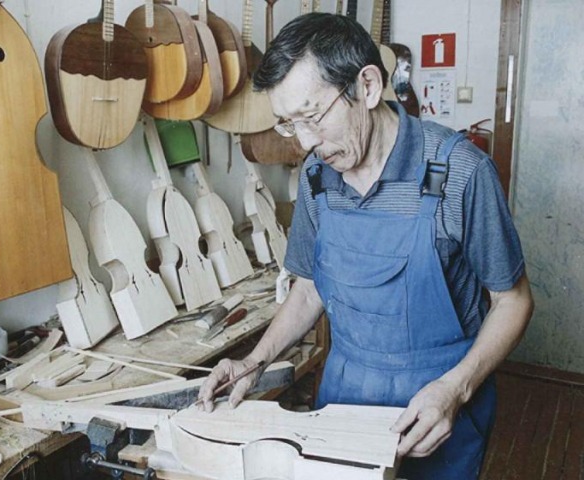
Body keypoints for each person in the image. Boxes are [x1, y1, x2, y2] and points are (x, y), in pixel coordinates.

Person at [198, 12, 534, 480]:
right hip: (345, 397)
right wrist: (255, 361)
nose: (306, 143)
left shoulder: (460, 172)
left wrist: (456, 389)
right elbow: (309, 289)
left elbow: (513, 300)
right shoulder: (317, 178)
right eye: (289, 124)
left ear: (369, 86)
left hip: (438, 402)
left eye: (313, 116)